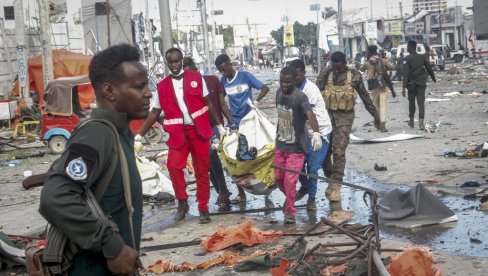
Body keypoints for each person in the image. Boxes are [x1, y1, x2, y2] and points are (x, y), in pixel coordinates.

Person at [39, 44, 151, 275]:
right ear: (109, 91)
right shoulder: (97, 134)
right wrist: (113, 247)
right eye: (139, 87)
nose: (148, 93)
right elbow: (55, 196)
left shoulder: (120, 134)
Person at [137, 48, 225, 224]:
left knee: (202, 171)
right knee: (174, 166)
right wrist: (139, 135)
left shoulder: (196, 78)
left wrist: (220, 128)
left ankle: (203, 208)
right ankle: (182, 202)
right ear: (166, 63)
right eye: (170, 62)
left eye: (177, 61)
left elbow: (208, 103)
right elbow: (155, 112)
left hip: (199, 131)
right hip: (178, 134)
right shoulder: (162, 86)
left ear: (181, 61)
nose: (174, 65)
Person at [316, 51, 380, 202]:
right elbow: (316, 88)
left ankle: (336, 185)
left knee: (339, 150)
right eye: (334, 67)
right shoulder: (327, 73)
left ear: (345, 63)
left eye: (339, 67)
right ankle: (331, 176)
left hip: (345, 117)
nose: (337, 70)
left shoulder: (355, 75)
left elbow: (364, 95)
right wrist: (326, 69)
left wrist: (375, 114)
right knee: (324, 151)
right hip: (327, 117)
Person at [214, 53, 270, 204]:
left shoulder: (245, 76)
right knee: (233, 159)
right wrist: (228, 121)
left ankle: (266, 190)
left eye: (224, 68)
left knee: (258, 156)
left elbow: (265, 88)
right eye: (220, 70)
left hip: (250, 122)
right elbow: (222, 101)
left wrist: (256, 101)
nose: (223, 72)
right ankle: (241, 193)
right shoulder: (223, 81)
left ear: (230, 64)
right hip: (235, 123)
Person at [182, 57, 234, 211]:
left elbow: (222, 103)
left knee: (213, 155)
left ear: (195, 69)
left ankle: (223, 189)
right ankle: (221, 191)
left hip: (214, 126)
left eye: (187, 68)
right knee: (205, 161)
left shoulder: (212, 80)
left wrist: (231, 123)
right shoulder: (183, 88)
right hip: (197, 127)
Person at [274, 66, 322, 224]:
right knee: (279, 178)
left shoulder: (300, 97)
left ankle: (290, 212)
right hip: (281, 145)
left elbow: (310, 114)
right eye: (282, 82)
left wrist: (316, 133)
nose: (284, 85)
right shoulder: (278, 93)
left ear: (294, 81)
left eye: (287, 82)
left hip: (297, 148)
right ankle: (290, 198)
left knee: (290, 180)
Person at [288, 59, 332, 211]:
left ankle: (312, 198)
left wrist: (316, 134)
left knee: (312, 167)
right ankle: (306, 186)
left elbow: (309, 115)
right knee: (297, 165)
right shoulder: (292, 88)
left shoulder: (310, 90)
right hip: (303, 132)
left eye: (297, 75)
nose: (295, 79)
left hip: (318, 130)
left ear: (303, 73)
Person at [402, 40, 436, 130]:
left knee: (412, 103)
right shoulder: (422, 57)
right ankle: (421, 123)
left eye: (408, 47)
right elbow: (429, 68)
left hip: (411, 85)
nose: (407, 48)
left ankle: (412, 121)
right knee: (421, 103)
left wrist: (403, 87)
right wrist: (433, 77)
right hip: (421, 83)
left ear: (410, 47)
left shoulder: (407, 59)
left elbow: (406, 74)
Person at [360, 45, 395, 132]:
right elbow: (392, 67)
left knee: (376, 105)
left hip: (373, 86)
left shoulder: (367, 63)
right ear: (376, 51)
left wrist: (366, 60)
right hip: (382, 85)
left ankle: (378, 123)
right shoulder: (383, 60)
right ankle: (383, 124)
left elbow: (361, 69)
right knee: (383, 105)